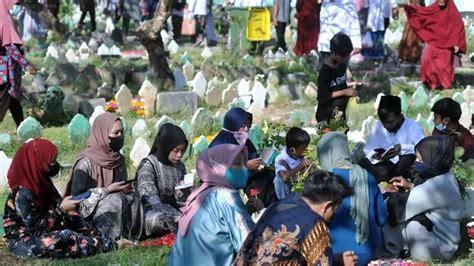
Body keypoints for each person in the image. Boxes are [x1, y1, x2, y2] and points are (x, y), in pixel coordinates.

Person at [3, 139, 115, 258]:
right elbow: (38, 231)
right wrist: (61, 210)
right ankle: (109, 245)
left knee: (76, 223)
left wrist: (92, 232)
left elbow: (62, 210)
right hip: (24, 241)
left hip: (47, 233)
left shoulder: (43, 183)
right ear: (37, 162)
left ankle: (103, 242)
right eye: (51, 162)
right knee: (66, 237)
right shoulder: (23, 194)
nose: (55, 165)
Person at [234, 170, 357, 265]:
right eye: (336, 209)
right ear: (328, 206)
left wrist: (335, 260)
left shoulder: (278, 206)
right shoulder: (314, 225)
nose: (334, 215)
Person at [169, 144, 255, 265]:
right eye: (237, 163)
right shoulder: (226, 196)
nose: (244, 168)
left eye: (244, 163)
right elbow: (248, 243)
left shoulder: (199, 195)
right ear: (218, 168)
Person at [65, 113, 142, 241]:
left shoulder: (118, 160)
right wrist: (108, 190)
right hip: (88, 213)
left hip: (115, 202)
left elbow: (119, 187)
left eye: (121, 132)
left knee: (133, 196)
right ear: (102, 134)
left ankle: (130, 235)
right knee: (114, 200)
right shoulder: (85, 163)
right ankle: (109, 239)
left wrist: (124, 188)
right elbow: (77, 199)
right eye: (115, 133)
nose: (120, 136)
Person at [384, 136, 462, 261]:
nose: (416, 162)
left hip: (441, 247)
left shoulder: (437, 186)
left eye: (420, 159)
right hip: (446, 241)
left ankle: (389, 251)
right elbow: (427, 197)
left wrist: (384, 195)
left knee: (395, 220)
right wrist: (410, 186)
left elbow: (404, 205)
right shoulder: (445, 175)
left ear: (433, 158)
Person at [317, 132, 387, 266]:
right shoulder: (366, 176)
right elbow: (382, 219)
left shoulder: (324, 181)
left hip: (336, 255)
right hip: (368, 250)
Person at [209, 107, 276, 206]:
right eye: (243, 125)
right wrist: (245, 166)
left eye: (248, 126)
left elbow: (252, 156)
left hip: (249, 177)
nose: (246, 129)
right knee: (261, 190)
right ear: (233, 125)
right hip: (228, 185)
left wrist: (261, 164)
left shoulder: (243, 141)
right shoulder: (220, 144)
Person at [135, 123, 188, 238]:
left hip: (175, 208)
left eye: (182, 151)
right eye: (176, 150)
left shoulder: (180, 166)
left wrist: (185, 190)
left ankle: (184, 222)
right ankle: (183, 223)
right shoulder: (148, 165)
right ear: (166, 146)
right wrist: (176, 216)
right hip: (152, 210)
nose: (179, 155)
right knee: (155, 221)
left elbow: (181, 199)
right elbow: (150, 200)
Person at [359, 95, 425, 183]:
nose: (386, 125)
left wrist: (402, 148)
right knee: (363, 163)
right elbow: (368, 149)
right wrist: (376, 155)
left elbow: (423, 149)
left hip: (403, 167)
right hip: (383, 167)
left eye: (390, 122)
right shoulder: (378, 126)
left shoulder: (412, 127)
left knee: (407, 158)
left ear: (400, 116)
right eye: (383, 121)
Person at [403, 0, 466, 89]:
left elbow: (458, 27)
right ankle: (429, 83)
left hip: (447, 43)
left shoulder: (452, 9)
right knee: (426, 58)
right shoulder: (434, 8)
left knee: (443, 66)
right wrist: (412, 9)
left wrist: (456, 43)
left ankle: (444, 85)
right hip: (433, 39)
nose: (441, 2)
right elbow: (424, 14)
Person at [0, 0, 35, 128]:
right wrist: (27, 65)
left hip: (4, 72)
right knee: (6, 97)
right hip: (5, 71)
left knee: (13, 100)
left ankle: (22, 128)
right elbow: (11, 47)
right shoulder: (4, 18)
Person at [316, 33, 358, 126]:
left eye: (348, 55)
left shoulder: (341, 64)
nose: (346, 58)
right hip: (326, 117)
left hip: (339, 114)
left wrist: (350, 92)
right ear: (333, 53)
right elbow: (322, 96)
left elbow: (340, 85)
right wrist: (345, 92)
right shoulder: (325, 72)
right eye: (343, 56)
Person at [318, 0, 361, 68]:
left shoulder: (347, 4)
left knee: (338, 74)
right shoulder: (325, 3)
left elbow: (354, 24)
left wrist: (356, 44)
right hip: (325, 46)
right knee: (323, 72)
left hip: (341, 47)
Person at [274, 127, 312, 200]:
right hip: (288, 193)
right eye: (304, 149)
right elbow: (284, 177)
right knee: (279, 179)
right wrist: (301, 165)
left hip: (302, 193)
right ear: (292, 150)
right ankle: (285, 203)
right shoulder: (281, 158)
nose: (307, 150)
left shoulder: (303, 157)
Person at [431, 97, 473, 162]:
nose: (433, 120)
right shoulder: (438, 131)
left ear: (446, 121)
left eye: (436, 117)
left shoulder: (466, 139)